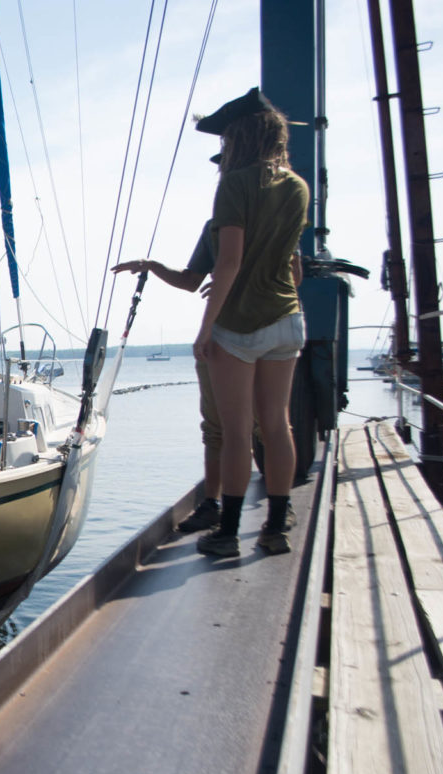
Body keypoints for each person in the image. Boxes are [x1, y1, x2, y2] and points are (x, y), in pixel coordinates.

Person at [111, 224, 303, 535]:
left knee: (269, 426)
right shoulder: (216, 225)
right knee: (216, 429)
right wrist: (152, 266)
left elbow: (294, 278)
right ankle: (211, 505)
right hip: (222, 332)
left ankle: (280, 506)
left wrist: (237, 285)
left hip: (264, 332)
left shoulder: (275, 211)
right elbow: (191, 280)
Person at [191, 87, 309, 558]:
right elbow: (295, 268)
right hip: (286, 318)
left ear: (239, 137)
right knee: (277, 425)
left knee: (238, 432)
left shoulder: (235, 185)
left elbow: (230, 263)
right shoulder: (297, 187)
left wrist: (206, 329)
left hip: (239, 325)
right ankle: (276, 528)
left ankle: (228, 534)